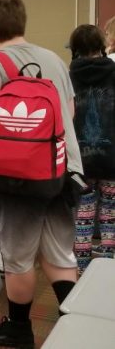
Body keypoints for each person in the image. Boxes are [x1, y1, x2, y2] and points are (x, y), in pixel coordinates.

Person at [0, 0, 82, 347]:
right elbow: (70, 114)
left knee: (18, 259)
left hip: (18, 178)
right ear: (22, 24)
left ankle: (18, 330)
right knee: (60, 254)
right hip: (63, 170)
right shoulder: (53, 59)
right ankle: (77, 328)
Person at [68, 24, 115, 273]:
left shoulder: (68, 75)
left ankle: (82, 271)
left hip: (81, 158)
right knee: (110, 213)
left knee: (84, 214)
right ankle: (107, 269)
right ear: (101, 45)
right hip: (112, 156)